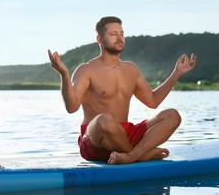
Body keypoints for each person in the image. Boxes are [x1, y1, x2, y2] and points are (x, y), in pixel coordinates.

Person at [48, 16, 196, 164]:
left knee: (172, 115)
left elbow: (152, 101)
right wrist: (64, 74)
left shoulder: (131, 69)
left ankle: (131, 156)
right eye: (113, 34)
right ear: (99, 39)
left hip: (125, 134)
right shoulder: (86, 70)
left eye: (121, 34)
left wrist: (176, 74)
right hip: (96, 139)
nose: (119, 38)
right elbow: (72, 107)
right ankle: (140, 155)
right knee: (104, 119)